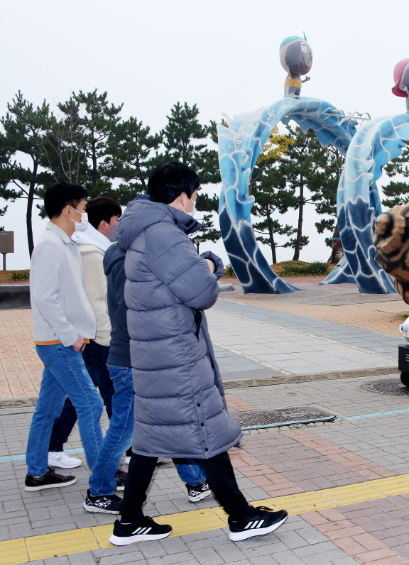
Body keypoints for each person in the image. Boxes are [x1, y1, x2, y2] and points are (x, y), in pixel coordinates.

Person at [109, 162, 287, 546]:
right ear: (181, 196)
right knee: (205, 430)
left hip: (158, 351)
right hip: (174, 354)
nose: (194, 203)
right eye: (194, 196)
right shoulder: (162, 235)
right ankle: (239, 516)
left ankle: (128, 520)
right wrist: (210, 263)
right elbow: (201, 292)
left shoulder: (144, 229)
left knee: (152, 438)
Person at [91, 194, 212, 518]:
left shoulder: (121, 254)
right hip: (134, 358)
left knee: (164, 423)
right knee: (124, 429)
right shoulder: (133, 257)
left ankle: (195, 482)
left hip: (131, 356)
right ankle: (99, 490)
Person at [24, 182, 103, 492]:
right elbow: (45, 298)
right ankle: (103, 476)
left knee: (48, 409)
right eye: (82, 209)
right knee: (91, 405)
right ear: (69, 210)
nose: (84, 215)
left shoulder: (62, 243)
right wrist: (72, 336)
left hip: (59, 341)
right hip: (58, 343)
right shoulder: (49, 245)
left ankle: (37, 472)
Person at [47, 197, 122, 473]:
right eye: (118, 221)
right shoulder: (92, 254)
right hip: (98, 340)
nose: (120, 226)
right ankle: (122, 451)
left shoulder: (97, 249)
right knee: (109, 396)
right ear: (104, 225)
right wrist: (107, 340)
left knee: (83, 397)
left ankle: (53, 447)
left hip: (93, 339)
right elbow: (96, 303)